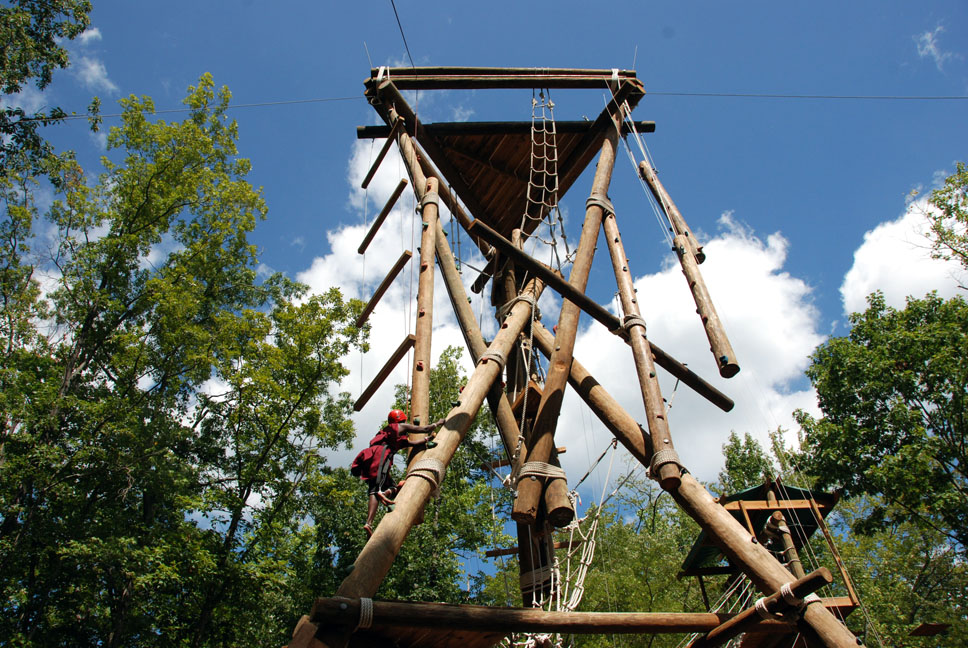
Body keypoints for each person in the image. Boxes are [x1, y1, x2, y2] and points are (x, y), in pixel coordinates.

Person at [351, 409, 445, 537]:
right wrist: (438, 423)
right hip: (380, 455)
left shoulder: (390, 434)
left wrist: (427, 440)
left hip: (370, 456)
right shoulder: (399, 426)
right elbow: (425, 429)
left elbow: (412, 442)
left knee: (390, 486)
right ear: (401, 419)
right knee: (375, 489)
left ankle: (383, 498)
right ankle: (371, 517)